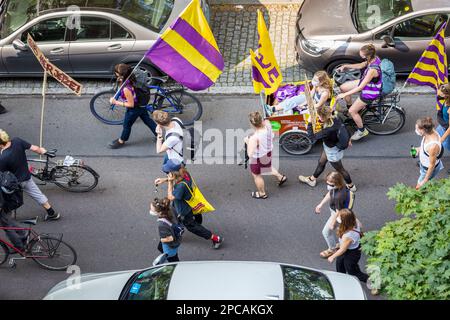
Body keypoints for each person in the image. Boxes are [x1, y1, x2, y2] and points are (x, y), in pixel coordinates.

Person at [154, 159, 223, 249]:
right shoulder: (185, 173)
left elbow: (170, 197)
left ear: (173, 173)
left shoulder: (181, 186)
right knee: (175, 216)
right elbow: (177, 178)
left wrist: (170, 182)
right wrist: (165, 179)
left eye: (168, 172)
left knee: (192, 227)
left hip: (183, 210)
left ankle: (215, 238)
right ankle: (183, 226)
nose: (167, 173)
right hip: (186, 204)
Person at [0, 130, 60, 221]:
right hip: (26, 177)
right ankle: (52, 213)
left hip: (16, 182)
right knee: (37, 194)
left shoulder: (3, 157)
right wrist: (42, 151)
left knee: (8, 198)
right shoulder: (17, 141)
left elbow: (3, 174)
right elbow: (35, 148)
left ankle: (7, 217)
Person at [298, 105, 356, 191]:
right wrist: (348, 139)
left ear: (323, 117)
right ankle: (312, 179)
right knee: (321, 162)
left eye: (320, 116)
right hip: (332, 146)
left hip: (332, 151)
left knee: (341, 170)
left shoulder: (328, 130)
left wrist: (309, 123)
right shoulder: (336, 118)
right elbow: (344, 128)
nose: (318, 117)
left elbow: (312, 138)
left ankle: (351, 186)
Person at [336, 44, 383, 141]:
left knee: (352, 111)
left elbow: (361, 87)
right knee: (343, 87)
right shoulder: (373, 58)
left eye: (361, 55)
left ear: (367, 56)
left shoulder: (372, 70)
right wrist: (346, 66)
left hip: (370, 91)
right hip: (366, 83)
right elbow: (361, 65)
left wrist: (344, 95)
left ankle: (362, 131)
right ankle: (351, 108)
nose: (359, 55)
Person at [108, 64, 157, 149]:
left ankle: (122, 140)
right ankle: (160, 135)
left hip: (135, 108)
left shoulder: (126, 89)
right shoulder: (131, 76)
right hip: (141, 104)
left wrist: (116, 102)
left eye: (116, 72)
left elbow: (131, 104)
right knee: (147, 120)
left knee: (127, 125)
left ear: (119, 74)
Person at [245, 111, 287, 199]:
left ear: (252, 125)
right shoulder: (268, 124)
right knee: (267, 166)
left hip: (258, 158)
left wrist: (247, 141)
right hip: (268, 152)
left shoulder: (254, 138)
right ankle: (280, 177)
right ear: (262, 120)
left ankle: (262, 193)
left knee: (256, 175)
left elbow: (250, 154)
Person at [315, 171, 356, 258]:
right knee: (343, 228)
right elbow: (330, 193)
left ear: (337, 183)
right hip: (338, 211)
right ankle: (345, 239)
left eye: (331, 184)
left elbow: (338, 212)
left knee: (326, 232)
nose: (329, 186)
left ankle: (332, 249)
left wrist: (333, 222)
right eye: (327, 183)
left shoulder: (339, 196)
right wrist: (321, 204)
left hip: (338, 214)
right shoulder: (339, 188)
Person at [327, 209, 368, 283]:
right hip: (347, 248)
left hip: (352, 253)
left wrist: (332, 257)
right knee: (339, 265)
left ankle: (372, 281)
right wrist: (338, 213)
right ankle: (342, 280)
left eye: (339, 217)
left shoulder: (348, 235)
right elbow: (331, 226)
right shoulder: (354, 221)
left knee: (352, 271)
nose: (338, 219)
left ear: (345, 221)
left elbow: (342, 250)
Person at [267, 71, 332, 116]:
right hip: (312, 101)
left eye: (315, 80)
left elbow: (318, 105)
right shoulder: (317, 85)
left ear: (321, 82)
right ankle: (273, 108)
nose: (313, 81)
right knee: (294, 99)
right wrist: (304, 102)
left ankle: (286, 115)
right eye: (313, 79)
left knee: (303, 113)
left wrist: (307, 106)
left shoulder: (325, 93)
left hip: (318, 107)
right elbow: (311, 94)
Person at [412, 117, 444, 189]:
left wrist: (425, 180)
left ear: (423, 130)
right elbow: (426, 148)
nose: (416, 131)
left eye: (417, 129)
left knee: (419, 188)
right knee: (426, 185)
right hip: (424, 165)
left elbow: (431, 165)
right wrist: (418, 149)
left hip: (427, 169)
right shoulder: (430, 131)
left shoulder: (432, 146)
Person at [149, 197, 181, 262]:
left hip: (171, 244)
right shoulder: (169, 208)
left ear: (159, 212)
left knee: (172, 259)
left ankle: (176, 266)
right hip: (175, 233)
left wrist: (162, 239)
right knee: (160, 247)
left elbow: (170, 238)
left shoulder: (162, 225)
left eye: (152, 210)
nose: (150, 211)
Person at [437, 84, 450, 174]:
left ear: (447, 95)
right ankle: (432, 160)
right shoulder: (445, 101)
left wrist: (442, 139)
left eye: (441, 94)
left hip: (447, 129)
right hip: (443, 127)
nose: (438, 95)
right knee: (435, 141)